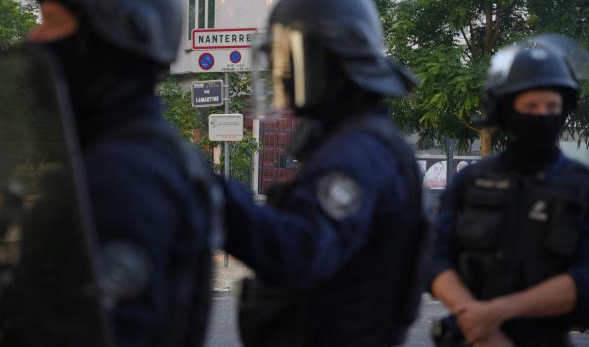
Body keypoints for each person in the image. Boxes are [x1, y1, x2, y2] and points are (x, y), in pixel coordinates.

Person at [0, 0, 220, 346]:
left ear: (109, 42)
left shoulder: (118, 179)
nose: (34, 36)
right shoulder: (159, 156)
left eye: (51, 21)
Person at [221, 0, 429, 346]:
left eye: (289, 58)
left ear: (325, 60)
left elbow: (300, 251)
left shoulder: (358, 153)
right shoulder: (348, 140)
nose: (281, 72)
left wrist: (211, 193)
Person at [429, 38, 589, 347]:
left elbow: (584, 278)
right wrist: (479, 325)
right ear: (505, 110)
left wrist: (493, 314)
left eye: (552, 106)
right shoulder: (471, 181)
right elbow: (435, 261)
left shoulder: (581, 185)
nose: (542, 115)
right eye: (531, 106)